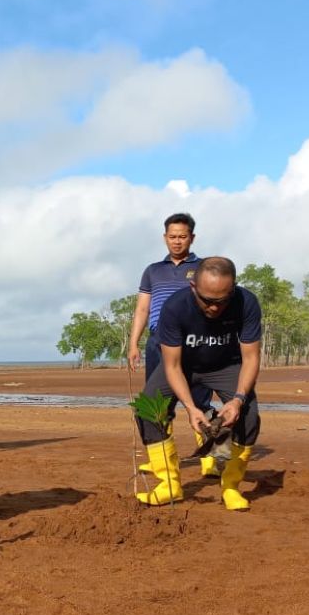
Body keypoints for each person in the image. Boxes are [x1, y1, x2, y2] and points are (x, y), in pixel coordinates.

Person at [134, 256, 263, 510]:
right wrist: (192, 408)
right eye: (207, 301)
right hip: (184, 366)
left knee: (249, 415)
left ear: (233, 288)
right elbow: (171, 365)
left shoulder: (247, 302)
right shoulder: (175, 307)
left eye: (222, 300)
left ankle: (231, 486)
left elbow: (251, 357)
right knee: (148, 407)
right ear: (193, 286)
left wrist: (237, 400)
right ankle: (168, 485)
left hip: (226, 365)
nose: (214, 308)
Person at [126, 213, 220, 477]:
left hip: (194, 341)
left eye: (182, 236)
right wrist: (134, 343)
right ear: (164, 237)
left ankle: (209, 457)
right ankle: (161, 458)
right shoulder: (152, 271)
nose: (177, 242)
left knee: (200, 399)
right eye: (172, 237)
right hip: (158, 341)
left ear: (192, 237)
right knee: (157, 403)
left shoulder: (204, 268)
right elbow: (143, 308)